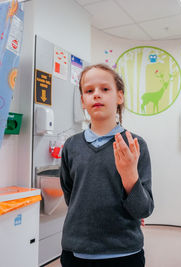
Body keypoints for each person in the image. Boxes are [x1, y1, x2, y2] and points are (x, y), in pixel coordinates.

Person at [59, 63, 154, 267]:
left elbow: (143, 210)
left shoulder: (135, 145)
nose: (96, 95)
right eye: (89, 91)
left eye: (105, 89)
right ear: (83, 100)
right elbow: (72, 196)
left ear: (119, 97)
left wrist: (129, 175)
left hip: (125, 253)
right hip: (76, 252)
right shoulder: (71, 146)